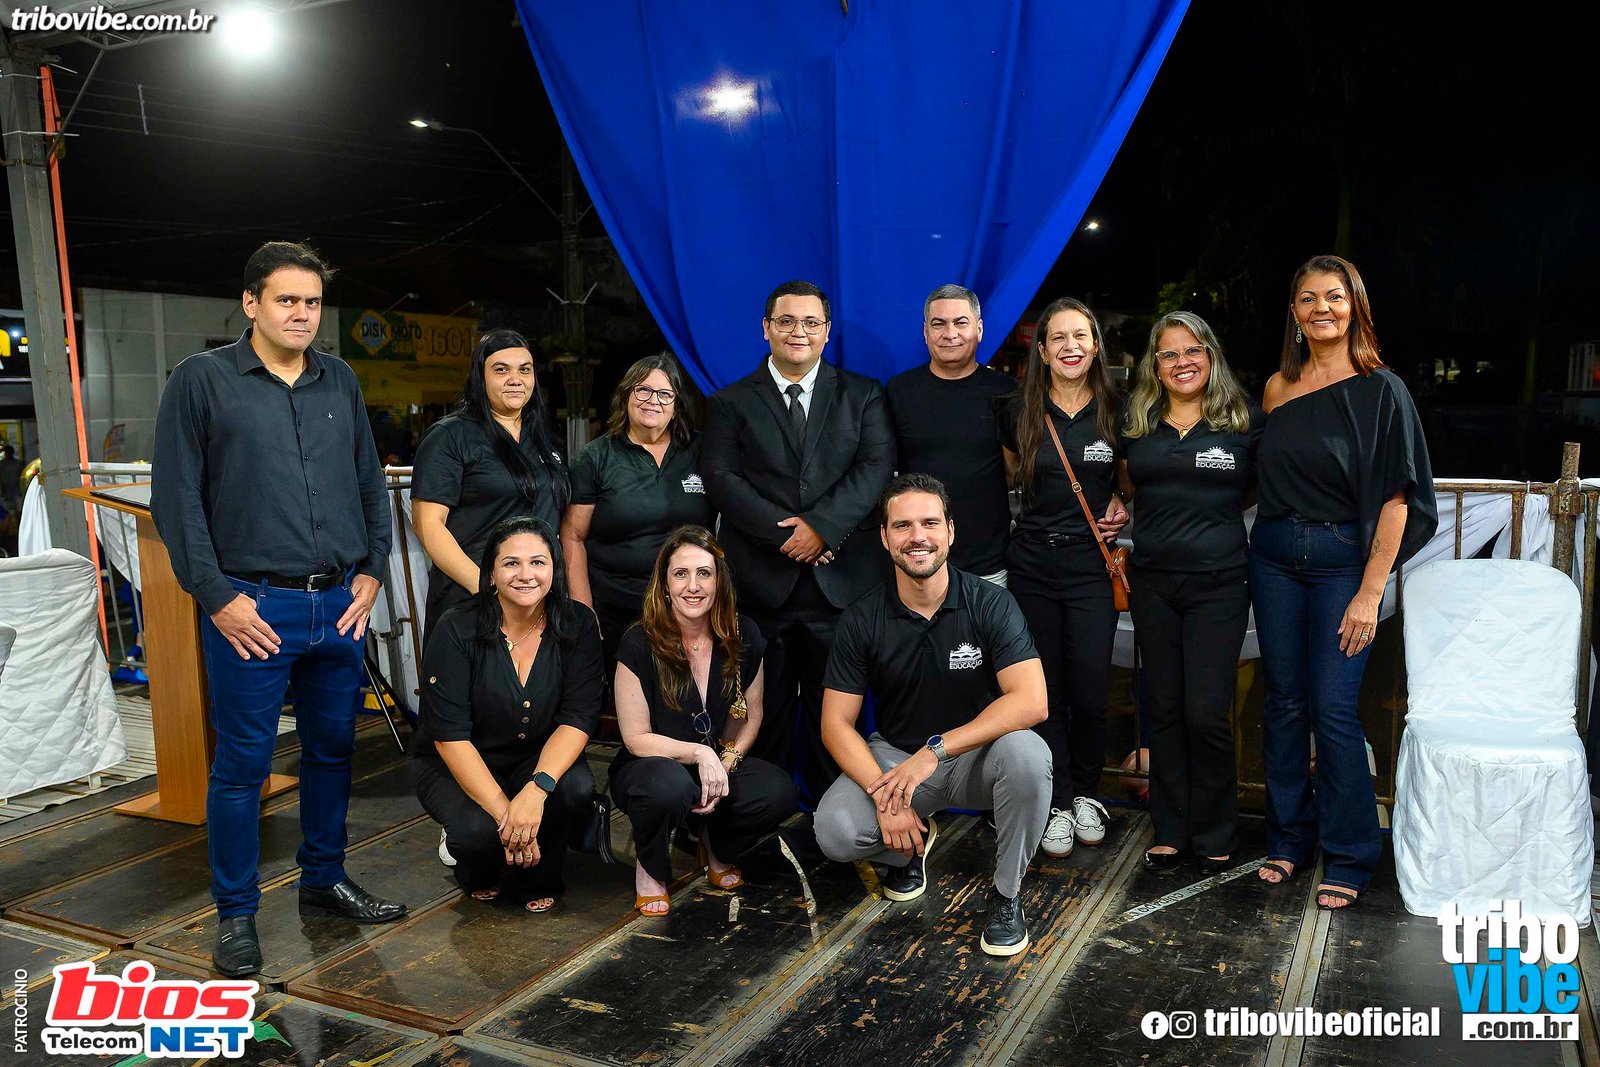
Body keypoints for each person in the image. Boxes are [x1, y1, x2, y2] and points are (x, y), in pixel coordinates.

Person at [151, 241, 407, 979]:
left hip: (338, 605)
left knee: (334, 750)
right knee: (242, 767)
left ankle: (323, 879)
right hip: (250, 607)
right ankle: (236, 914)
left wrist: (373, 571)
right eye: (287, 299)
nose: (302, 313)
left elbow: (370, 479)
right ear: (252, 303)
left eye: (312, 302)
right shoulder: (201, 382)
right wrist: (219, 597)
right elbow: (178, 502)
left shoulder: (341, 380)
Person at [1252, 254, 1436, 910]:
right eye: (1307, 299)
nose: (1320, 308)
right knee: (1283, 704)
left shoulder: (1381, 389)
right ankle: (1288, 839)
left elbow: (1398, 498)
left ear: (1353, 304)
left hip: (1340, 564)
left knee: (1332, 709)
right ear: (1295, 313)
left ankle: (1354, 853)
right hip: (1272, 556)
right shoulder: (1278, 387)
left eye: (1334, 296)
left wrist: (1370, 590)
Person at [815, 474, 1049, 957]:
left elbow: (1031, 701)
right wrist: (887, 798)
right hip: (897, 761)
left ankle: (1006, 896)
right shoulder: (862, 618)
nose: (916, 536)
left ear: (950, 532)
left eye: (929, 523)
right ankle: (909, 847)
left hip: (974, 758)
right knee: (834, 832)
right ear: (884, 538)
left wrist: (936, 749)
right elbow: (835, 724)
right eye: (902, 526)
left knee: (1027, 753)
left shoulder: (990, 602)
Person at [702, 280, 894, 800]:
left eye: (811, 322)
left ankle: (834, 826)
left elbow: (875, 469)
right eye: (786, 321)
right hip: (761, 589)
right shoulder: (729, 402)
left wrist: (824, 529)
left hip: (842, 589)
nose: (798, 332)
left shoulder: (863, 394)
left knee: (838, 717)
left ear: (827, 332)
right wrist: (793, 536)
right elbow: (722, 479)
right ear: (766, 328)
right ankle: (760, 821)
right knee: (760, 719)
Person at [1118, 312, 1263, 873]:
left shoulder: (1244, 419)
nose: (1182, 362)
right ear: (1156, 363)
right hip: (1152, 581)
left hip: (1220, 584)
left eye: (1193, 350)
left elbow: (1251, 487)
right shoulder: (1139, 419)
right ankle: (1171, 828)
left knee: (1205, 710)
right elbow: (1125, 482)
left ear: (1211, 355)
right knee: (1164, 708)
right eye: (1169, 353)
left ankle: (1216, 827)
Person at [413, 516, 603, 912]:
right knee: (475, 834)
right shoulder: (456, 628)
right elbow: (450, 737)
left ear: (555, 568)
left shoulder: (577, 623)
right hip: (462, 760)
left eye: (538, 562)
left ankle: (541, 871)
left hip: (536, 757)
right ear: (492, 574)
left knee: (574, 788)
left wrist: (535, 792)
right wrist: (509, 818)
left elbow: (578, 718)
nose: (526, 574)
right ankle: (479, 867)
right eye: (511, 563)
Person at [609, 526, 798, 916]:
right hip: (651, 766)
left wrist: (726, 763)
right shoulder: (638, 641)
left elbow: (751, 714)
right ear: (664, 584)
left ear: (719, 582)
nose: (692, 586)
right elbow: (635, 738)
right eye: (681, 574)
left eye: (704, 574)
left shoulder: (743, 635)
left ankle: (715, 842)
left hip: (715, 761)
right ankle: (650, 865)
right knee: (668, 786)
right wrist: (700, 754)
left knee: (778, 790)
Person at [999, 297, 1128, 859]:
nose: (1071, 346)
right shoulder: (1017, 412)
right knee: (1042, 691)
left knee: (1091, 689)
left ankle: (1088, 795)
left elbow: (1130, 480)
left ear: (1095, 345)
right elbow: (1008, 478)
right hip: (1031, 563)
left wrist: (1122, 499)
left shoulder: (1119, 410)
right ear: (1043, 351)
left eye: (1081, 336)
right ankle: (1056, 801)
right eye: (1059, 338)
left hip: (1090, 567)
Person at [412, 329, 569, 638]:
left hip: (538, 603)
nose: (515, 378)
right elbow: (427, 525)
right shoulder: (450, 437)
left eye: (524, 369)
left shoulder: (544, 440)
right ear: (480, 378)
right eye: (501, 370)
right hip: (473, 601)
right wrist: (486, 587)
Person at [562, 354, 714, 670]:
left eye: (664, 394)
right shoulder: (595, 458)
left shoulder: (702, 451)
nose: (652, 401)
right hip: (618, 610)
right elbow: (573, 536)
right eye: (642, 390)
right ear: (626, 396)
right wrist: (585, 613)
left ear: (677, 405)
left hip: (690, 609)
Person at [885, 284, 1014, 585]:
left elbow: (1016, 470)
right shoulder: (899, 392)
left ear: (979, 329)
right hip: (916, 559)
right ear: (926, 332)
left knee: (984, 634)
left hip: (988, 563)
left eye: (960, 322)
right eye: (939, 324)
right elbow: (883, 471)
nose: (950, 333)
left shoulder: (1006, 393)